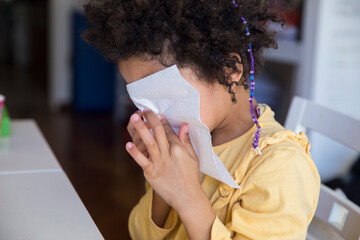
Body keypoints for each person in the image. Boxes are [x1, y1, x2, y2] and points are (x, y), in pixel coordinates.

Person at [82, 0, 321, 239]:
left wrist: (187, 197)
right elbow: (140, 233)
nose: (155, 114)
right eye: (142, 99)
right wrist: (162, 184)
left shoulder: (281, 167)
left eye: (163, 95)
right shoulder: (186, 140)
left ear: (228, 69)